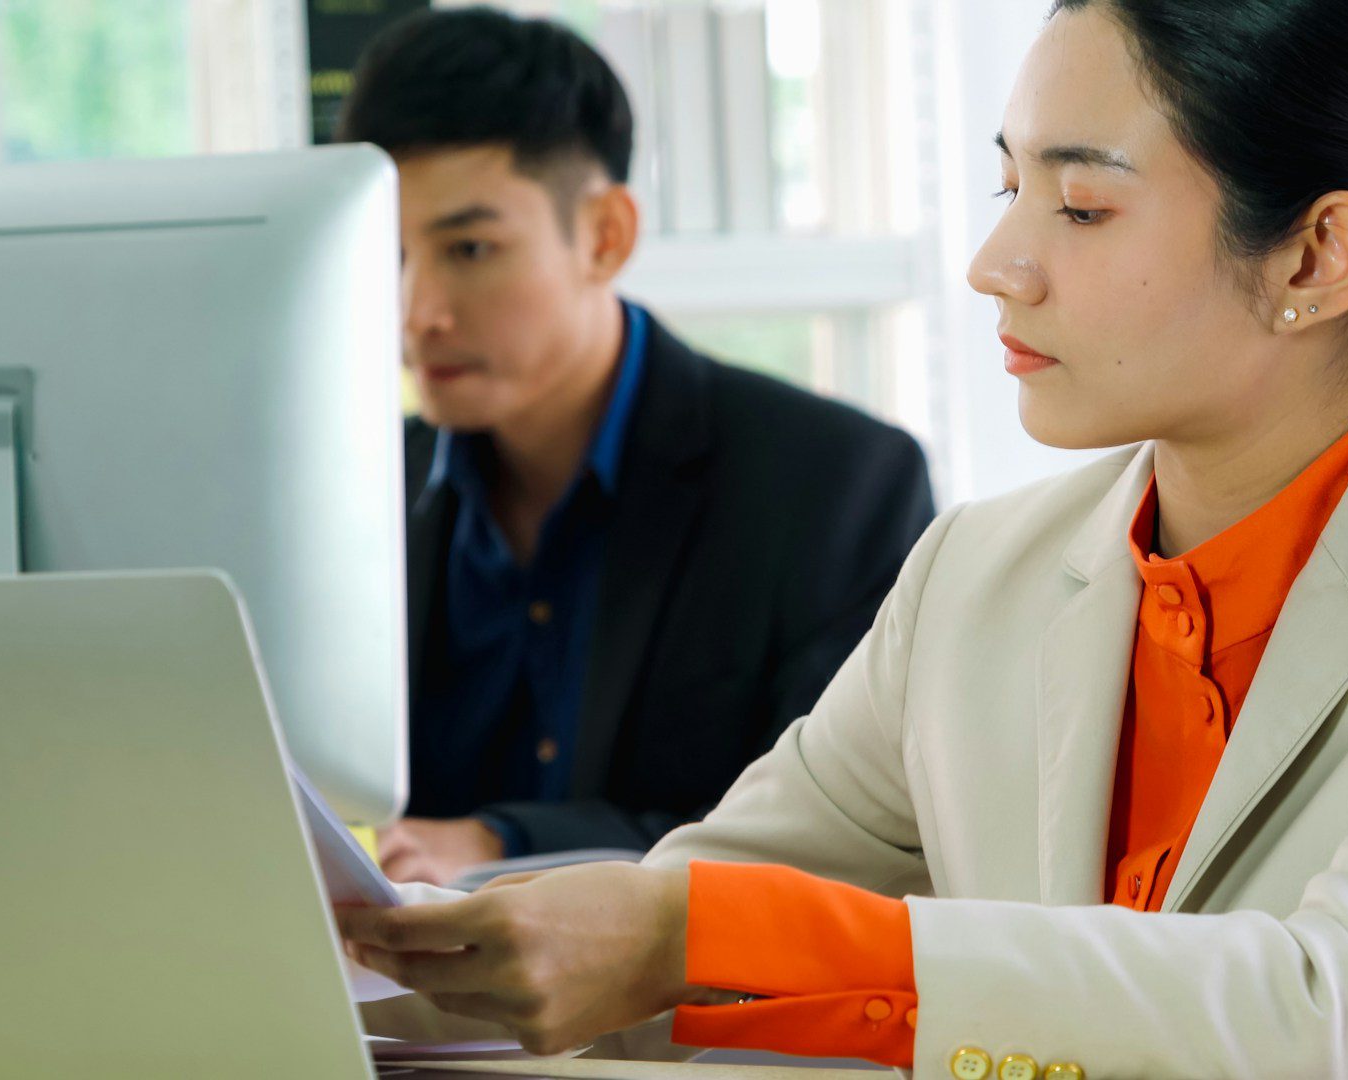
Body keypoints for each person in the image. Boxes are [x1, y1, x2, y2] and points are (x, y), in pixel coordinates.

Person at [337, 1, 1348, 1076]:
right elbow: (675, 939)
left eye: (1081, 204)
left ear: (1313, 258)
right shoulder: (977, 579)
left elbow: (1337, 1016)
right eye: (1010, 187)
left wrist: (680, 935)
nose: (998, 262)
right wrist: (384, 958)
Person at [336, 8, 936, 883]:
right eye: (389, 255)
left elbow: (841, 844)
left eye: (469, 247)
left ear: (606, 236)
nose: (417, 310)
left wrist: (509, 842)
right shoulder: (356, 493)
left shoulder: (834, 487)